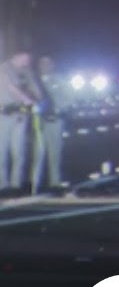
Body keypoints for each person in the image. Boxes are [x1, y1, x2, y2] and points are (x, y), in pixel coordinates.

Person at [0, 52, 41, 194]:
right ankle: (2, 185)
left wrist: (33, 98)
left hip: (21, 116)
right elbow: (11, 87)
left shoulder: (27, 72)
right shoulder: (3, 69)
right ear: (16, 55)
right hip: (4, 115)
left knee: (19, 152)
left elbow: (36, 92)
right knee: (2, 152)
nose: (27, 61)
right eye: (25, 58)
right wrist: (26, 99)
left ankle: (16, 185)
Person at [31, 56, 69, 192]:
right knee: (38, 153)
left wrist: (58, 109)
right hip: (39, 121)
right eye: (42, 63)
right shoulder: (33, 81)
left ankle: (55, 182)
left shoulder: (59, 80)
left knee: (55, 152)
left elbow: (68, 98)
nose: (45, 66)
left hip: (56, 120)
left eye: (48, 63)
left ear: (53, 65)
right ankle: (35, 184)